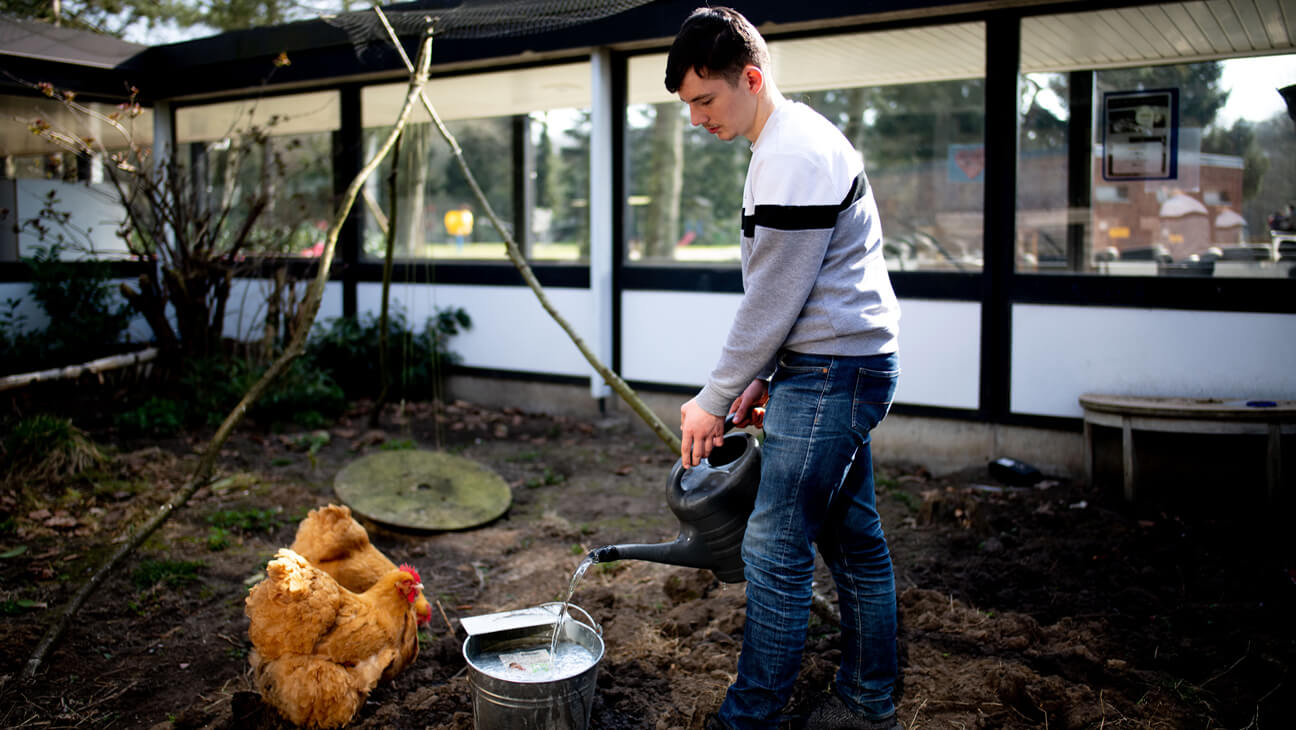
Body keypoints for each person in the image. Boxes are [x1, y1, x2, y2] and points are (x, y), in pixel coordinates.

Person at [665, 7, 902, 730]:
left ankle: (751, 719)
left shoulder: (790, 156)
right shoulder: (785, 144)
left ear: (752, 77)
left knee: (772, 544)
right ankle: (868, 700)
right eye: (688, 107)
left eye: (706, 100)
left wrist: (714, 396)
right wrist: (767, 376)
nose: (698, 119)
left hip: (835, 370)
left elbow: (771, 300)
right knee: (852, 539)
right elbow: (803, 287)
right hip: (835, 360)